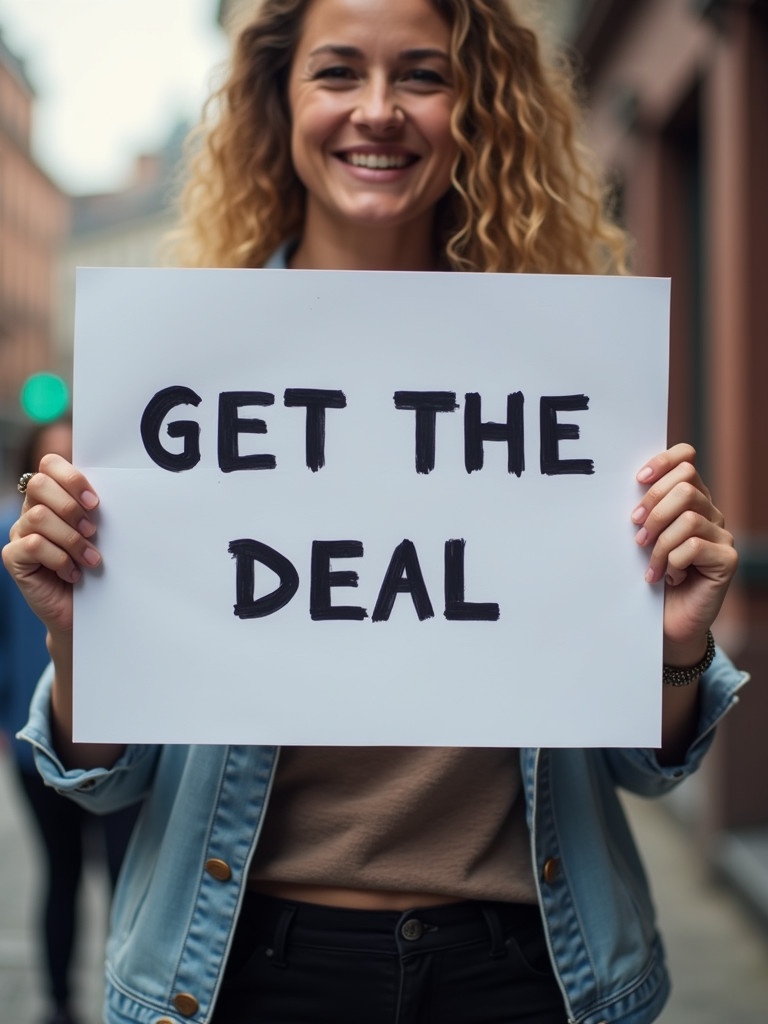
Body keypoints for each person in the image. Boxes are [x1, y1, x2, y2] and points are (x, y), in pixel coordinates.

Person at [1, 1, 747, 1022]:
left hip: (527, 968)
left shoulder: (561, 372)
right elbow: (103, 782)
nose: (380, 111)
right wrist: (83, 640)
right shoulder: (187, 375)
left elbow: (642, 767)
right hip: (239, 970)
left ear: (476, 102)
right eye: (339, 72)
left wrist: (669, 646)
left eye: (425, 76)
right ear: (282, 99)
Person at [0, 417, 139, 1024]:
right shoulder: (10, 535)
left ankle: (123, 992)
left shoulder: (127, 536)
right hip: (38, 742)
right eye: (48, 466)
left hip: (126, 739)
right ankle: (58, 1004)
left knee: (126, 878)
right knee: (60, 876)